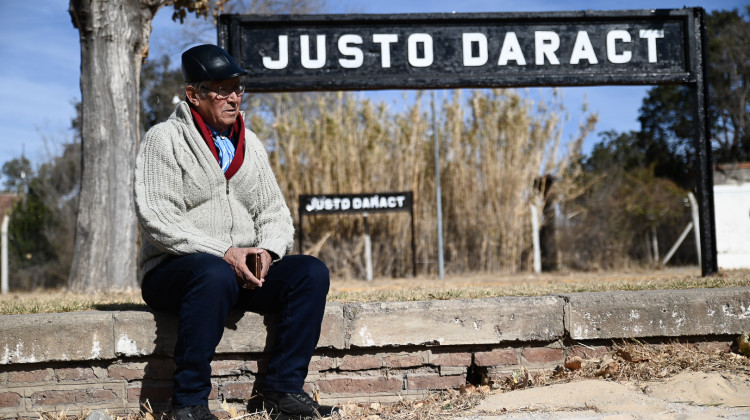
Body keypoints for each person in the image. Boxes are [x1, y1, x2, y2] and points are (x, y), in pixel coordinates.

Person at [134, 44, 338, 420]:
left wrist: (267, 253)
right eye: (221, 89)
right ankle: (190, 403)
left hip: (240, 272)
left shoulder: (251, 143)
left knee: (310, 272)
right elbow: (158, 219)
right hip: (174, 271)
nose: (233, 97)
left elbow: (274, 212)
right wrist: (226, 251)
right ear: (192, 95)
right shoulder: (163, 140)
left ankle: (280, 391)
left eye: (238, 88)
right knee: (212, 273)